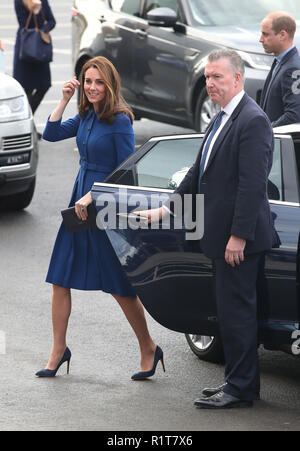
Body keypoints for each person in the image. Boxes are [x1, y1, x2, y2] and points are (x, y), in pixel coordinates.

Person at [136, 49, 278, 409]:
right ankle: (237, 381)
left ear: (237, 79)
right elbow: (197, 172)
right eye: (207, 77)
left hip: (238, 240)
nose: (210, 83)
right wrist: (165, 210)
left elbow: (252, 186)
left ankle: (241, 389)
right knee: (229, 314)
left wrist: (238, 236)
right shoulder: (221, 118)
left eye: (217, 77)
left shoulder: (253, 120)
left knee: (238, 314)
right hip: (220, 237)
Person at [35, 56, 164, 381]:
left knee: (119, 286)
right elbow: (50, 134)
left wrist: (93, 195)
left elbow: (125, 171)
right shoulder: (85, 114)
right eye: (88, 81)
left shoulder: (120, 121)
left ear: (109, 85)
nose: (92, 88)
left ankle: (148, 347)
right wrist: (64, 99)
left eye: (98, 82)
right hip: (78, 205)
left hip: (103, 207)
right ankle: (58, 350)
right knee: (60, 279)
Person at [13, 0, 56, 118]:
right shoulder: (19, 1)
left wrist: (41, 31)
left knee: (44, 86)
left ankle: (28, 119)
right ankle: (25, 123)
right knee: (25, 89)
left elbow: (52, 21)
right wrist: (34, 8)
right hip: (26, 47)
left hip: (40, 49)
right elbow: (23, 23)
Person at [259, 11, 300, 127]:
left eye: (265, 34)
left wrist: (266, 130)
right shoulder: (280, 61)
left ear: (282, 35)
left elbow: (294, 116)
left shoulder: (293, 69)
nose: (261, 39)